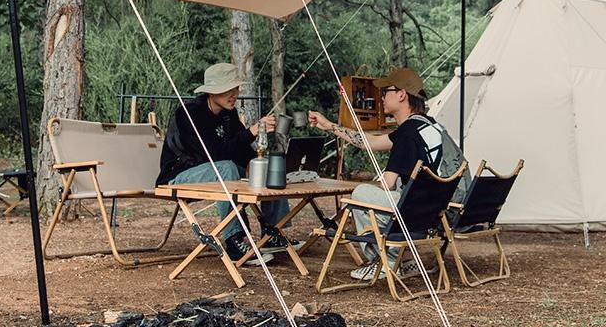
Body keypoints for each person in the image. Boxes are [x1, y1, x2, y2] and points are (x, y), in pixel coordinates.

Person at [308, 67, 462, 281]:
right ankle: (406, 262)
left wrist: (357, 195)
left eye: (385, 92)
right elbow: (369, 142)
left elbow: (388, 183)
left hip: (412, 213)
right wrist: (330, 126)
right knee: (374, 194)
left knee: (361, 194)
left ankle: (385, 263)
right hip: (433, 212)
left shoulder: (408, 133)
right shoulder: (429, 126)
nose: (380, 97)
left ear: (401, 94)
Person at [157, 62, 291, 265]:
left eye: (236, 89)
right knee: (226, 167)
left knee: (264, 165)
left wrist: (253, 161)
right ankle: (234, 241)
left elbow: (241, 148)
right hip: (179, 176)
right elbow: (213, 153)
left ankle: (273, 233)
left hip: (217, 173)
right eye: (228, 90)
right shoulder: (189, 113)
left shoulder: (229, 114)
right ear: (212, 92)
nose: (234, 94)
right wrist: (251, 132)